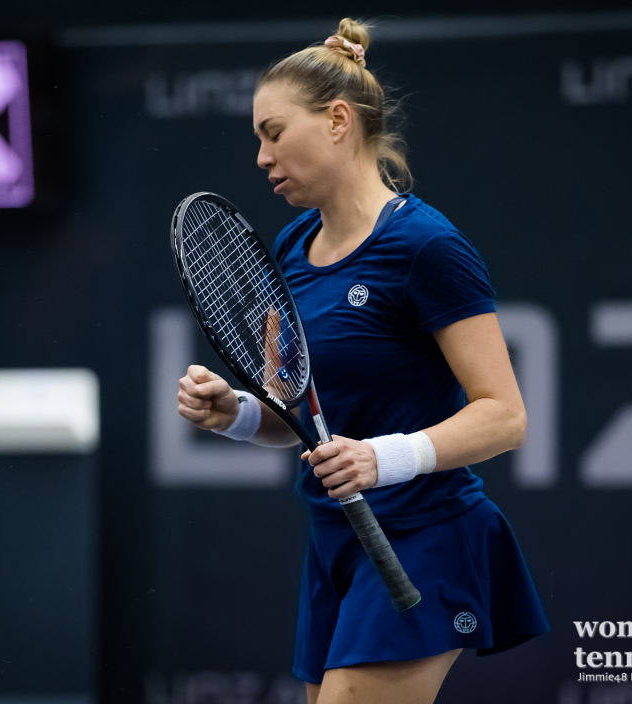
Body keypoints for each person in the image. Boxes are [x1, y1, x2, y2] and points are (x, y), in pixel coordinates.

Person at [176, 17, 550, 704]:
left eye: (273, 132)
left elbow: (505, 418)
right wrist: (234, 415)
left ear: (339, 120)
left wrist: (382, 457)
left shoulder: (427, 247)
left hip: (429, 532)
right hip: (338, 540)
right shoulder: (289, 250)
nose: (261, 157)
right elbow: (301, 419)